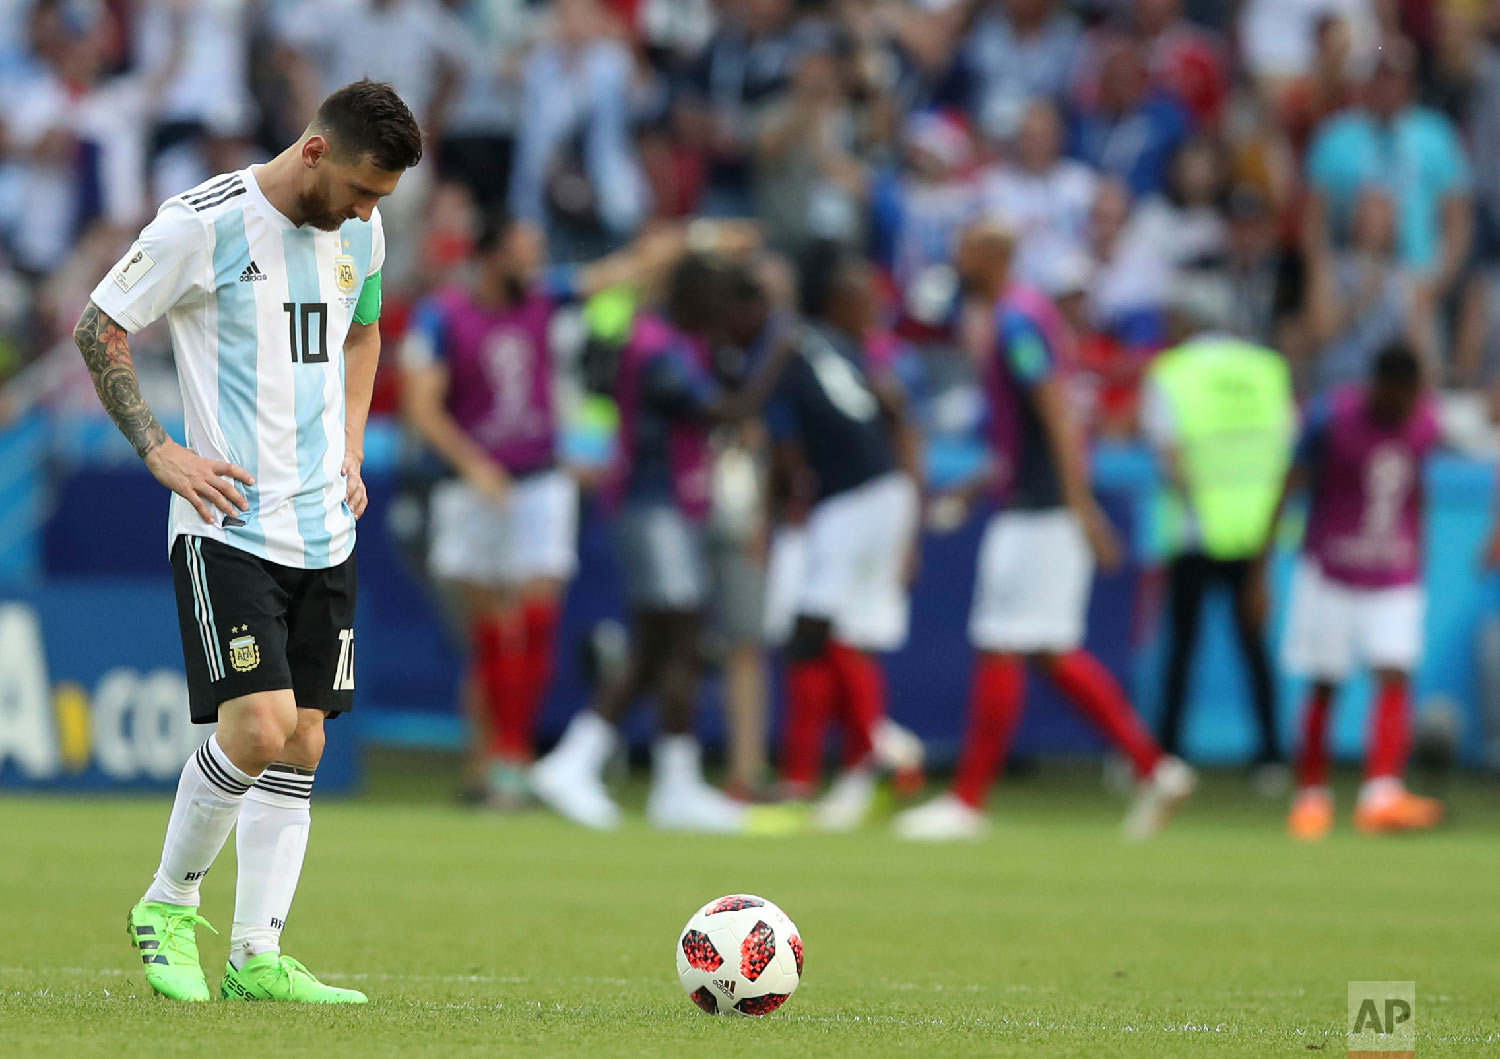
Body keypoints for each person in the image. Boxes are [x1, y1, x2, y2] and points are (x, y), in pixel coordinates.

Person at [72, 80, 422, 1002]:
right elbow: (97, 325)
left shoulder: (362, 231)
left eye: (379, 198)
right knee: (257, 726)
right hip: (227, 523)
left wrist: (350, 443)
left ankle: (257, 953)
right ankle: (167, 902)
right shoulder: (201, 224)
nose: (365, 210)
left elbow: (365, 331)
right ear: (314, 151)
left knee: (303, 740)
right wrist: (159, 450)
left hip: (324, 525)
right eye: (360, 189)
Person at [894, 222, 1195, 842]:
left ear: (994, 256)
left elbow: (1056, 414)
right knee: (1052, 652)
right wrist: (982, 482)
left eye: (966, 244)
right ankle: (1153, 769)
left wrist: (1082, 508)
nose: (955, 255)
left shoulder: (1015, 322)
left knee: (1002, 643)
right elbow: (1027, 431)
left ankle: (968, 801)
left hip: (1040, 511)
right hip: (1035, 500)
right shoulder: (1023, 317)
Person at [398, 212, 683, 808]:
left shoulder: (546, 299)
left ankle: (513, 754)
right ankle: (497, 759)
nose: (535, 261)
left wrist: (687, 239)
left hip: (539, 480)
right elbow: (421, 407)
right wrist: (476, 465)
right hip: (470, 488)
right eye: (524, 250)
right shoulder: (444, 315)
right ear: (493, 254)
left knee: (535, 622)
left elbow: (618, 273)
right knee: (492, 633)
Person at [529, 251, 793, 832]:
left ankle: (656, 778)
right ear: (695, 299)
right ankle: (595, 763)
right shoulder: (655, 347)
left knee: (667, 642)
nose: (725, 315)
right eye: (718, 303)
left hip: (674, 504)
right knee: (672, 628)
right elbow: (723, 410)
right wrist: (776, 351)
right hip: (650, 504)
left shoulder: (681, 342)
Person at [762, 244, 922, 831]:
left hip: (849, 498)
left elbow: (783, 437)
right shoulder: (844, 350)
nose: (875, 310)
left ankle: (832, 768)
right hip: (877, 493)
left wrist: (783, 502)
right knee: (845, 631)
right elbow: (897, 419)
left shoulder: (801, 348)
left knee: (813, 630)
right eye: (865, 300)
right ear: (836, 302)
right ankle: (861, 767)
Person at [1282, 343, 1444, 840]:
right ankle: (1311, 797)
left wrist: (1420, 552)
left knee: (1394, 671)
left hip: (1394, 569)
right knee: (1324, 680)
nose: (1403, 402)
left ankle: (1382, 793)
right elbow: (1294, 478)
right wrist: (1266, 553)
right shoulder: (1331, 416)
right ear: (1377, 384)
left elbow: (1421, 488)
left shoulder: (1425, 424)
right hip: (1331, 567)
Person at [1141, 278, 1296, 787]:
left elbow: (1169, 457)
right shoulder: (1268, 370)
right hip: (1255, 530)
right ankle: (1272, 757)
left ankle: (1167, 755)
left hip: (1195, 527)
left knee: (1182, 645)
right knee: (1253, 646)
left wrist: (1203, 503)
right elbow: (1288, 449)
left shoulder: (1172, 373)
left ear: (1186, 321)